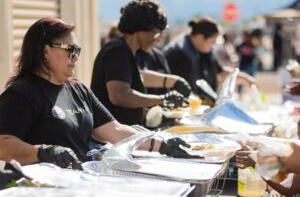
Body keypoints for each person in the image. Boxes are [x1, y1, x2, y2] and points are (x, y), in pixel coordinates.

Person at [0, 17, 198, 170]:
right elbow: (3, 145)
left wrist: (161, 146)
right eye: (70, 50)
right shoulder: (21, 93)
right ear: (45, 51)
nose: (75, 57)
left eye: (77, 50)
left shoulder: (78, 89)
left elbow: (116, 131)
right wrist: (43, 152)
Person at [90, 0, 190, 125]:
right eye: (155, 33)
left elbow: (138, 77)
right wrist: (163, 99)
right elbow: (119, 96)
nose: (156, 38)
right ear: (140, 30)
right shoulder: (117, 50)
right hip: (114, 137)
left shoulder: (127, 50)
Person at [163, 17, 255, 104]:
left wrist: (247, 79)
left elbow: (219, 72)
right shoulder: (179, 53)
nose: (213, 46)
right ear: (200, 37)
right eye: (212, 42)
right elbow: (184, 90)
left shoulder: (203, 48)